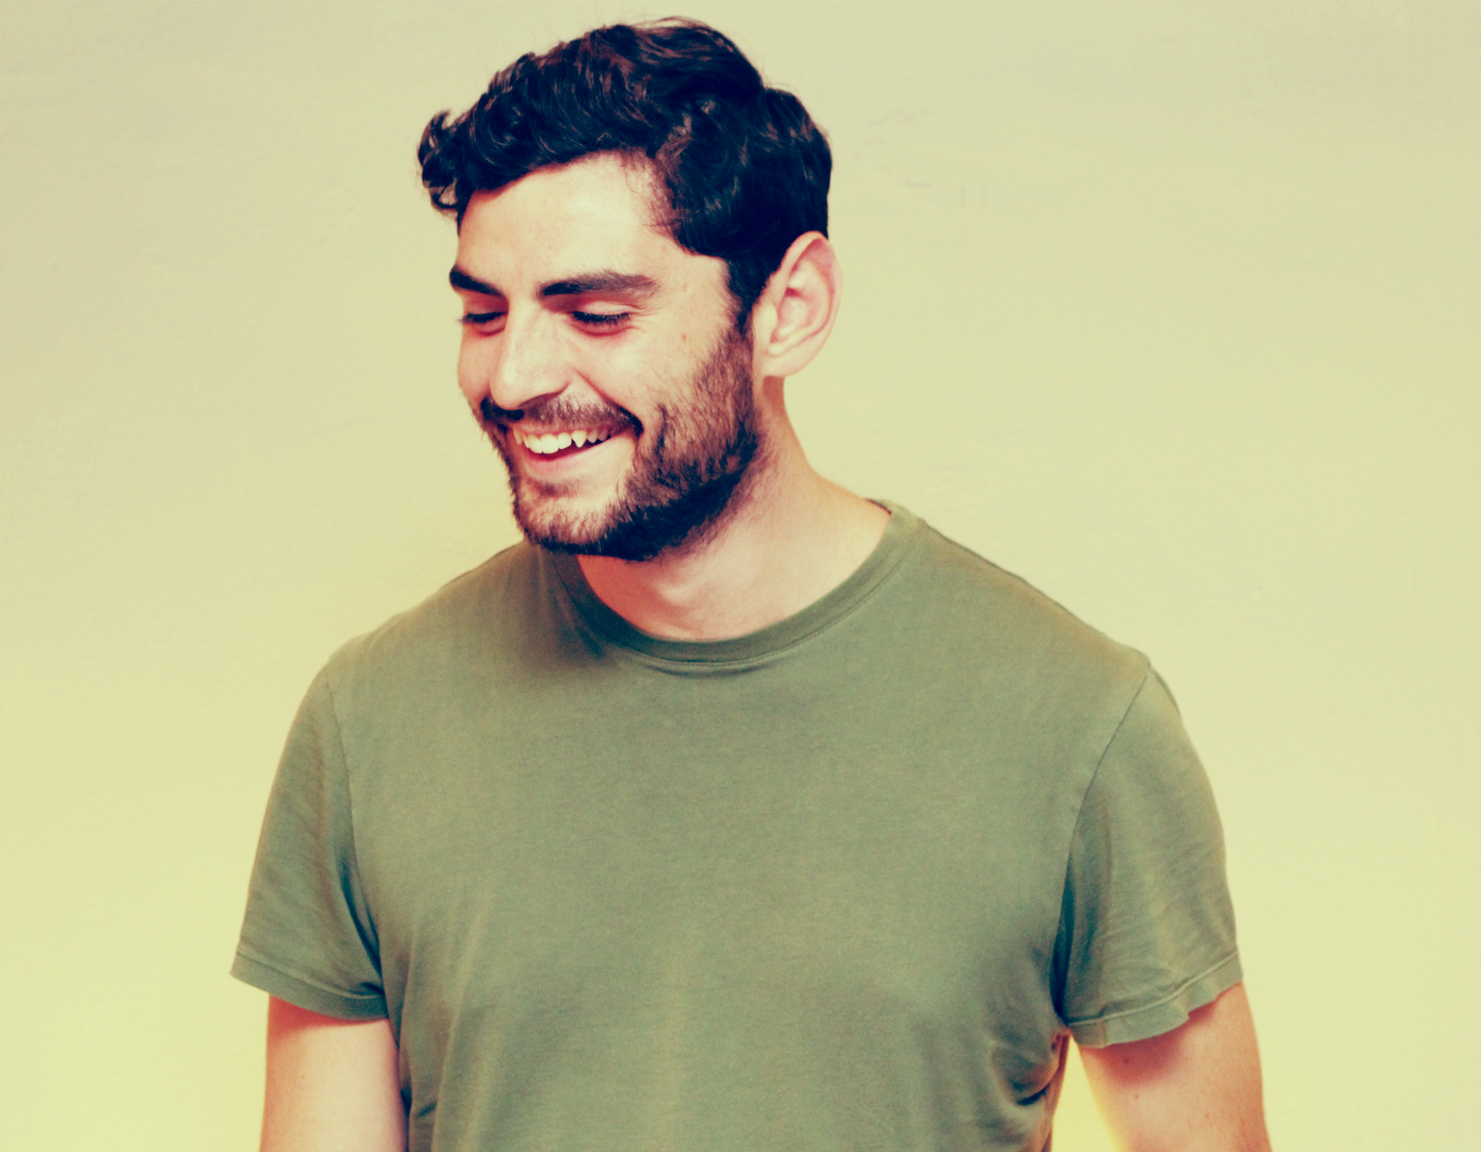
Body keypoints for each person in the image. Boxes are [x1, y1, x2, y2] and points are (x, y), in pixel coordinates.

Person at [234, 18, 1268, 1152]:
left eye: (596, 313)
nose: (514, 375)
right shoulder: (370, 721)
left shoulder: (1078, 727)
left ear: (788, 309)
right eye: (484, 313)